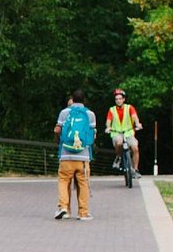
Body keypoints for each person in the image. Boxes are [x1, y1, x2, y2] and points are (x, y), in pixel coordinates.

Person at [54, 89, 97, 220]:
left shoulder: (64, 113)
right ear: (84, 100)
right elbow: (92, 136)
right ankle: (83, 213)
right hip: (83, 157)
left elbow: (58, 131)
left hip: (66, 155)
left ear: (72, 99)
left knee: (63, 181)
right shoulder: (90, 114)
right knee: (83, 183)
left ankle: (64, 208)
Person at [106, 88, 142, 176]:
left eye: (120, 99)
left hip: (128, 132)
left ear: (123, 99)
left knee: (135, 148)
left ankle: (135, 169)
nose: (118, 101)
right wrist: (108, 127)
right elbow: (108, 121)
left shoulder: (129, 108)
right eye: (116, 99)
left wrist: (138, 124)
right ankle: (118, 157)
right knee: (119, 143)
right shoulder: (112, 109)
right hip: (116, 132)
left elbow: (134, 117)